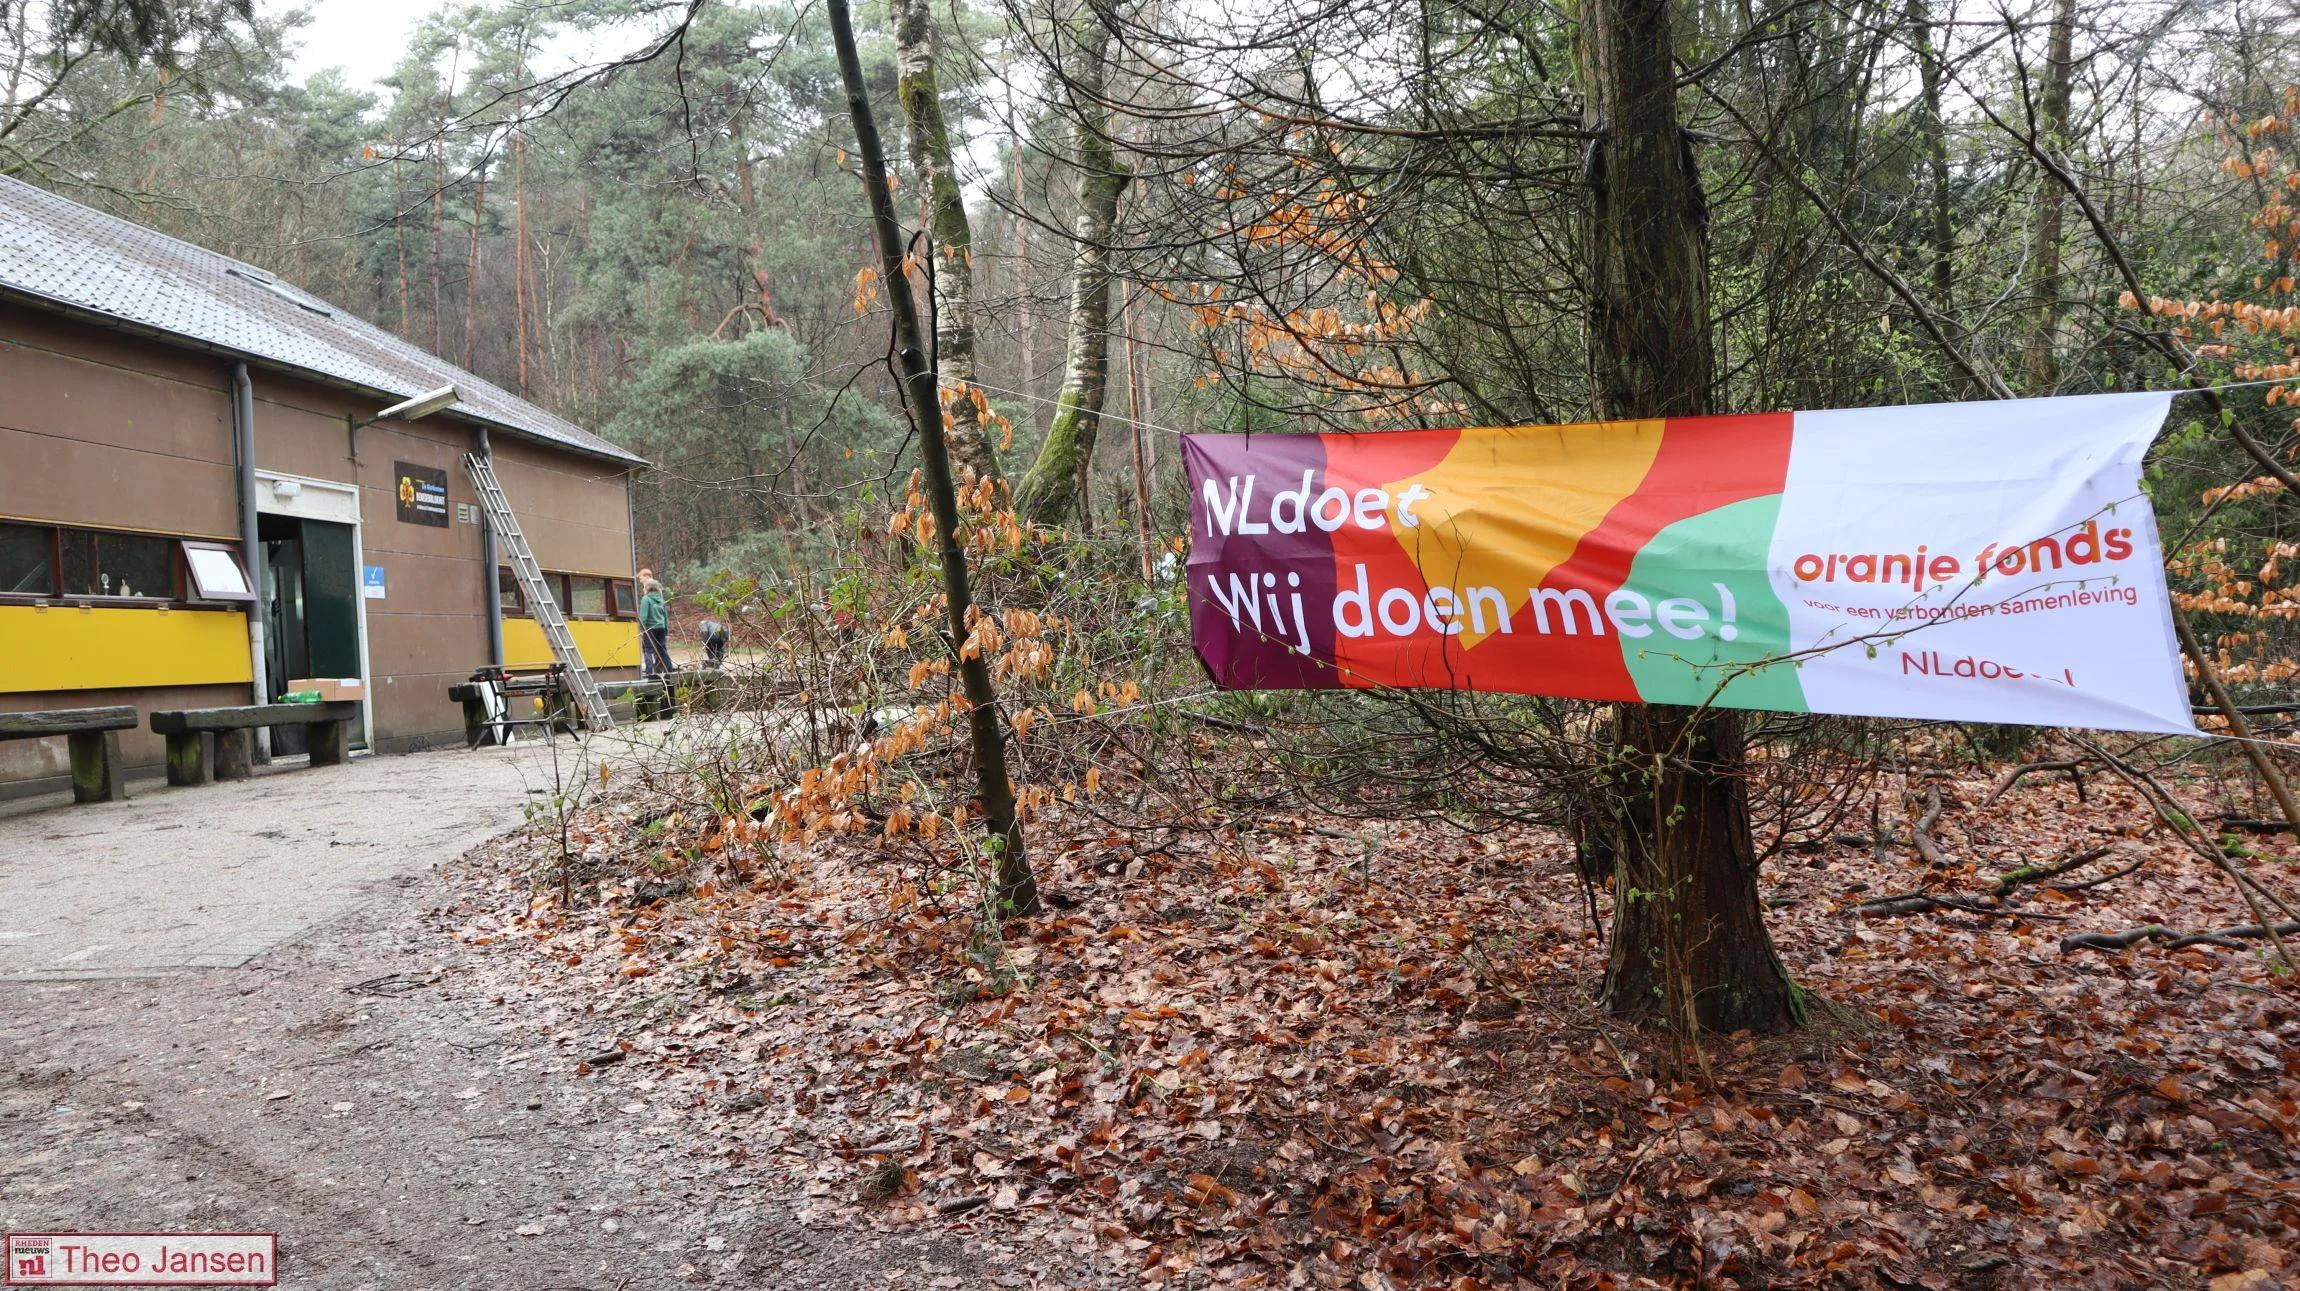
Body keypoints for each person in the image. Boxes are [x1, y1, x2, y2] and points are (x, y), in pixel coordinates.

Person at [639, 578, 670, 676]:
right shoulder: (661, 600)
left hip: (650, 628)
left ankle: (649, 672)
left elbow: (643, 616)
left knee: (648, 649)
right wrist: (666, 630)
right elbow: (665, 617)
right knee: (662, 649)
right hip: (661, 628)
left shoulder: (646, 599)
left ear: (647, 588)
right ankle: (669, 669)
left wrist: (642, 629)